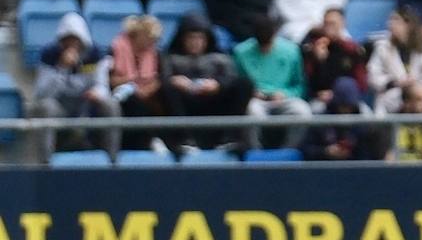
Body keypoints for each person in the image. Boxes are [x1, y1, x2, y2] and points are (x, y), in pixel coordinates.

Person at [30, 13, 120, 161]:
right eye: (67, 40)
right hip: (61, 106)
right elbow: (41, 93)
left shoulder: (95, 55)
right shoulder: (49, 55)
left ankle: (112, 160)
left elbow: (102, 86)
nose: (71, 44)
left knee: (111, 105)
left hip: (87, 106)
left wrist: (97, 93)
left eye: (75, 40)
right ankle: (45, 163)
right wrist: (62, 68)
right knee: (46, 107)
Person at [161, 11, 255, 153]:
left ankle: (228, 138)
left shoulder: (220, 58)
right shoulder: (170, 58)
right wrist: (174, 81)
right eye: (191, 38)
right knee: (167, 89)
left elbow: (231, 78)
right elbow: (163, 77)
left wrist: (218, 85)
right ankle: (185, 140)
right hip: (185, 102)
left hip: (215, 101)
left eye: (199, 38)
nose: (195, 43)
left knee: (244, 84)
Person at [233, 15, 312, 150]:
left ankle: (289, 150)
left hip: (285, 99)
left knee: (303, 111)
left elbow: (299, 85)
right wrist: (250, 93)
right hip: (256, 100)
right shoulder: (241, 52)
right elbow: (237, 85)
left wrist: (285, 93)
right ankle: (255, 152)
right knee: (252, 112)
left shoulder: (291, 51)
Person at [367, 7, 422, 114]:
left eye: (395, 20)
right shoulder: (382, 48)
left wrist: (415, 86)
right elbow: (373, 76)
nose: (390, 24)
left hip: (419, 96)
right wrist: (395, 82)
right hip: (391, 96)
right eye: (390, 20)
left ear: (408, 25)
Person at [107, 14, 164, 148]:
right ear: (139, 35)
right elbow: (112, 81)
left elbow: (157, 79)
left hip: (147, 95)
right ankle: (145, 143)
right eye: (150, 39)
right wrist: (132, 82)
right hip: (122, 96)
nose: (152, 43)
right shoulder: (117, 48)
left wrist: (146, 89)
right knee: (135, 102)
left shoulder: (154, 53)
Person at [301, 76, 384, 161]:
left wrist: (352, 150)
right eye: (343, 105)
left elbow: (370, 154)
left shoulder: (362, 123)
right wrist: (326, 151)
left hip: (355, 170)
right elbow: (306, 150)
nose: (347, 110)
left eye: (350, 106)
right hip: (326, 169)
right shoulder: (321, 120)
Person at [301, 8, 368, 112]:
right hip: (321, 101)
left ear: (342, 24)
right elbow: (307, 83)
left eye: (333, 23)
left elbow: (361, 83)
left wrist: (337, 93)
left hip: (348, 99)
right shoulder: (312, 49)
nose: (329, 27)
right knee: (315, 110)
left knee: (366, 113)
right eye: (326, 23)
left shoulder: (352, 49)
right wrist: (319, 61)